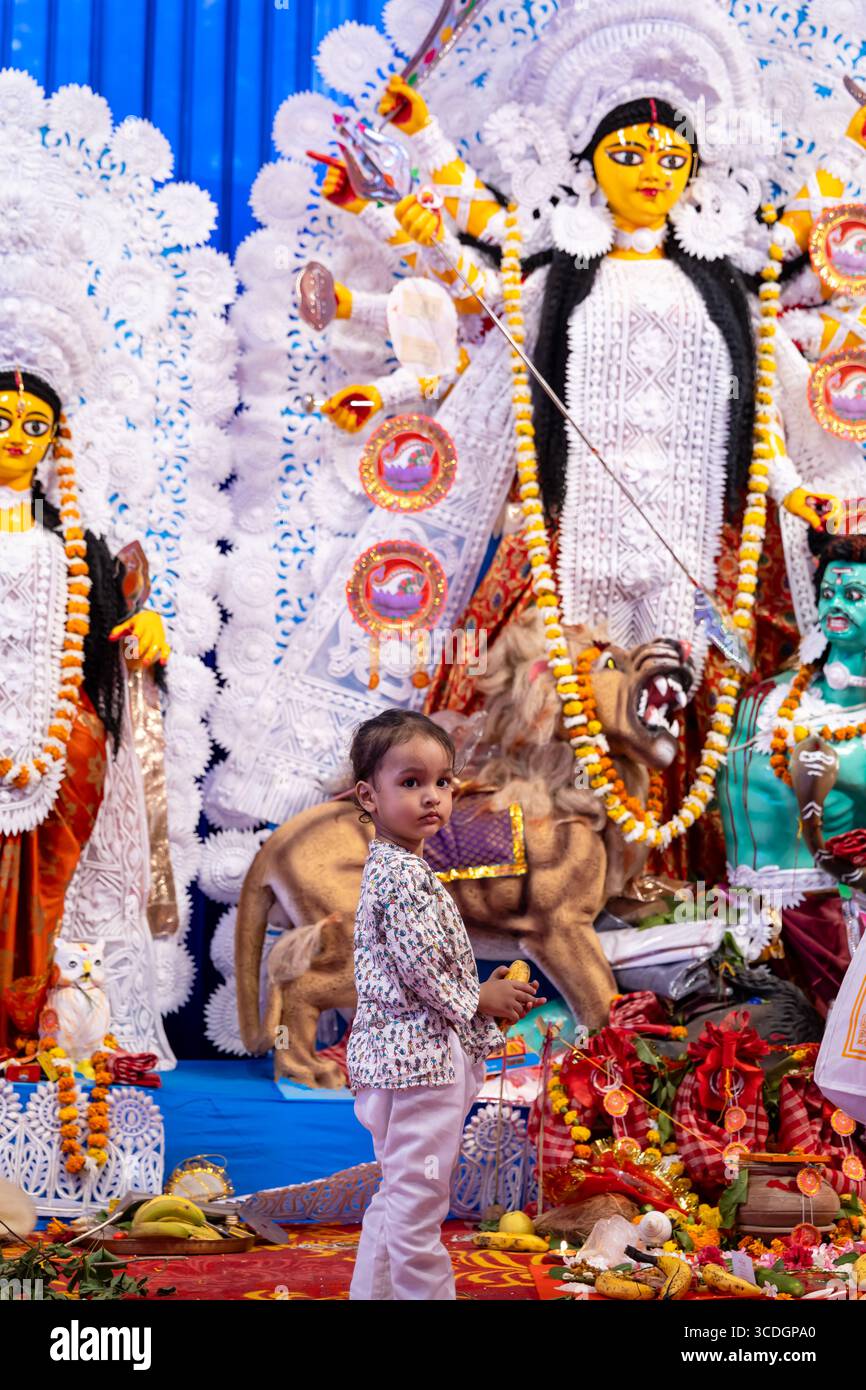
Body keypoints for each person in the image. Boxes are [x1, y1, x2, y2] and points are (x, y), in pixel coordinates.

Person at [346, 707, 544, 1300]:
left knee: (399, 1193)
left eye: (442, 782)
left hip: (403, 1062)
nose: (431, 796)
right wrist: (480, 997)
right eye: (410, 782)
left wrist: (481, 997)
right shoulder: (403, 877)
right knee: (417, 1203)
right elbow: (422, 964)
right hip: (420, 1064)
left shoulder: (399, 868)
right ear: (369, 795)